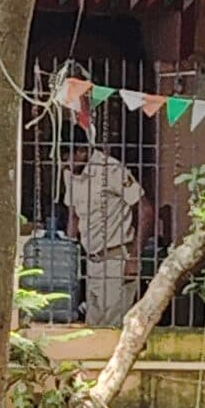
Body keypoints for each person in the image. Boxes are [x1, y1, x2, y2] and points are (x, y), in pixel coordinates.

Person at [61, 136, 149, 325]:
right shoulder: (70, 173)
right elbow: (73, 213)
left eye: (67, 157)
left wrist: (134, 257)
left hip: (116, 259)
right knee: (92, 326)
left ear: (82, 151)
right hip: (91, 261)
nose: (63, 164)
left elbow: (145, 210)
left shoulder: (111, 170)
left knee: (111, 327)